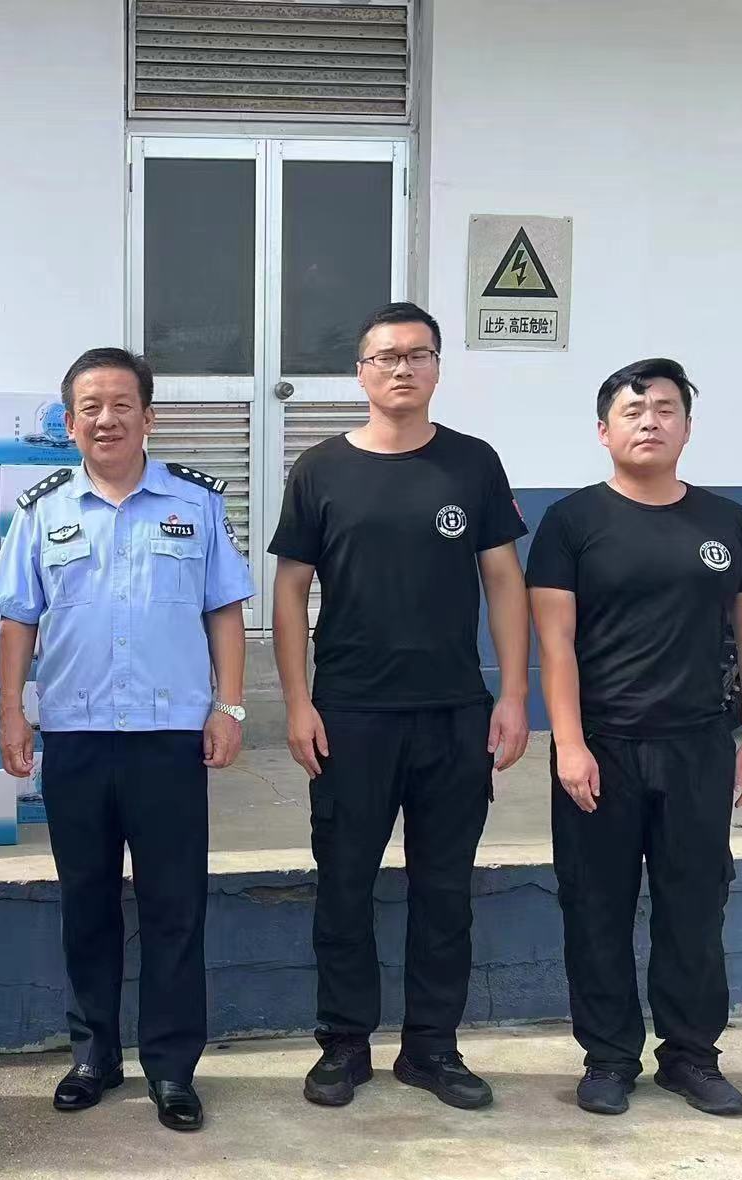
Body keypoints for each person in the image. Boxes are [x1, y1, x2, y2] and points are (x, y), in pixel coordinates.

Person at [270, 302, 530, 1111]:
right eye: (385, 356)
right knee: (344, 885)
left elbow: (504, 582)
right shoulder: (319, 469)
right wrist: (298, 702)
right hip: (350, 714)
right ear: (361, 373)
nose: (401, 369)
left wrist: (513, 693)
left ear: (438, 368)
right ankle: (344, 1045)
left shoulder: (472, 464)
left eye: (418, 355)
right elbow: (289, 590)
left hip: (453, 713)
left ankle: (431, 1048)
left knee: (444, 890)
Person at [0, 347, 251, 1133]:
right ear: (69, 423)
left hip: (170, 741)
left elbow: (224, 611)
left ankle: (172, 1068)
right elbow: (17, 619)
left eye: (121, 405)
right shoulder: (43, 511)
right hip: (77, 738)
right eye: (90, 408)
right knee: (87, 904)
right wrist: (11, 711)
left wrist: (230, 707)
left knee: (176, 907)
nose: (106, 419)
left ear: (148, 417)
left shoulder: (196, 504)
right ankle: (94, 1056)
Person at [528, 358, 742, 1118]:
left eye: (665, 409)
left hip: (698, 745)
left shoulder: (725, 520)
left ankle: (691, 1056)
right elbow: (555, 642)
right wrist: (569, 742)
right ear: (603, 431)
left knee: (695, 905)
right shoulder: (571, 522)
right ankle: (608, 1058)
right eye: (633, 411)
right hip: (602, 746)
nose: (649, 422)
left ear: (687, 429)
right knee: (595, 905)